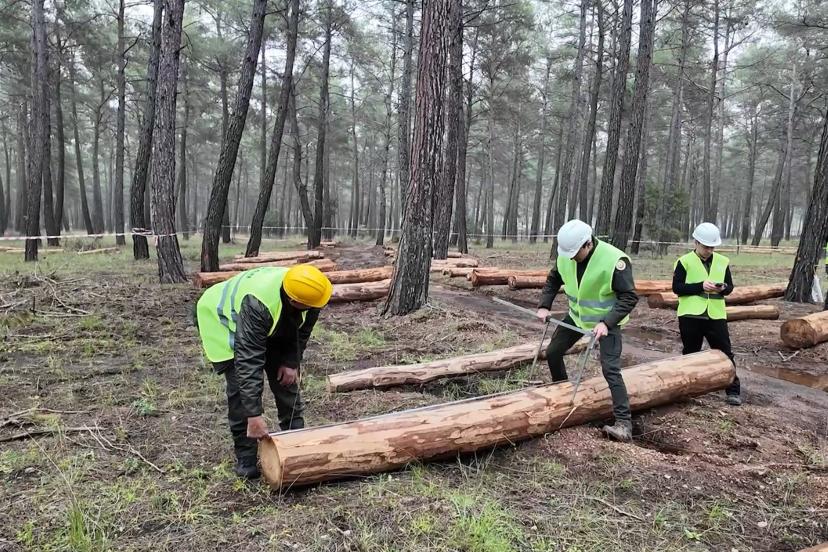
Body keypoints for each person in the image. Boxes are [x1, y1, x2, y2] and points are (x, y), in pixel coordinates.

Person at [195, 264, 333, 479]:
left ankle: (296, 443)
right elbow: (248, 362)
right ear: (293, 300)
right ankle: (246, 459)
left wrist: (291, 362)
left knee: (286, 382)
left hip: (267, 319)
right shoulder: (258, 304)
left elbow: (302, 330)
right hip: (223, 321)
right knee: (240, 389)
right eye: (308, 306)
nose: (315, 308)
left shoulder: (312, 293)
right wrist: (254, 415)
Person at [537, 219, 639, 442]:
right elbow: (553, 279)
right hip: (577, 317)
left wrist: (607, 323)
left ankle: (624, 424)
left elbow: (629, 297)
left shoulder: (615, 260)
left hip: (607, 323)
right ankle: (562, 393)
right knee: (553, 352)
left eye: (575, 253)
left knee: (610, 369)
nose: (571, 258)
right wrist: (544, 305)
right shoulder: (566, 256)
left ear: (588, 244)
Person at [672, 222, 741, 405]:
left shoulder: (723, 261)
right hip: (690, 316)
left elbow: (730, 287)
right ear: (696, 242)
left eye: (712, 247)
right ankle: (688, 390)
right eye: (706, 246)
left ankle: (733, 391)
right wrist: (700, 286)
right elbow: (677, 288)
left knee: (726, 353)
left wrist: (723, 288)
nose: (709, 250)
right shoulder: (684, 261)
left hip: (715, 315)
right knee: (690, 354)